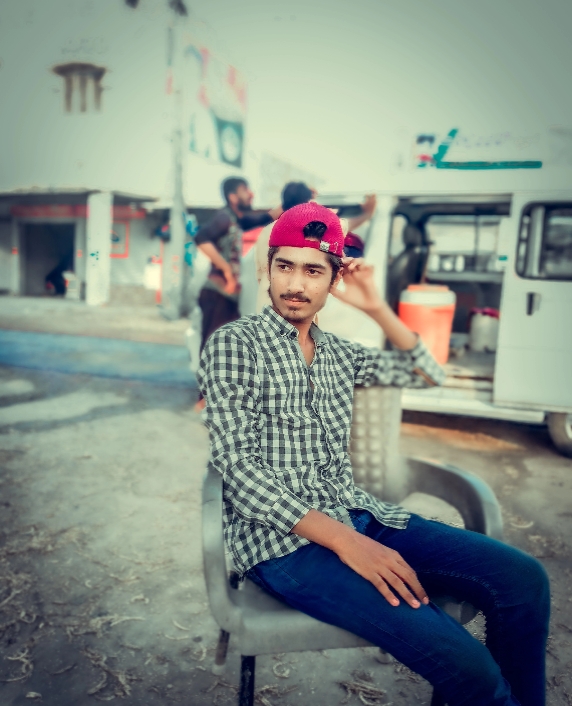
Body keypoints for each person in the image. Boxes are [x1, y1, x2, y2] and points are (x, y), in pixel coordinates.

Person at [197, 202, 550, 706]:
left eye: (313, 270)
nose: (295, 284)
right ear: (269, 269)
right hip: (283, 547)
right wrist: (348, 542)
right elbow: (238, 470)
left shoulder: (340, 353)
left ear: (333, 279)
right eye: (285, 266)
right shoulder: (235, 344)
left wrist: (376, 306)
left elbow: (427, 372)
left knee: (523, 579)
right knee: (471, 669)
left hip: (360, 515)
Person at [194, 176, 282, 410]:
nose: (251, 194)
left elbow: (264, 216)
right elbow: (201, 237)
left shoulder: (235, 219)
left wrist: (295, 201)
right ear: (233, 197)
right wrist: (226, 270)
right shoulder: (224, 217)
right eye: (245, 190)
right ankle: (204, 399)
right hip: (217, 293)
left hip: (227, 296)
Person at [254, 183, 376, 312]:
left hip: (266, 305)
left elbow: (260, 274)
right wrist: (368, 213)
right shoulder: (317, 225)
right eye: (284, 267)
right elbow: (349, 223)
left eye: (312, 271)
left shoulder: (266, 231)